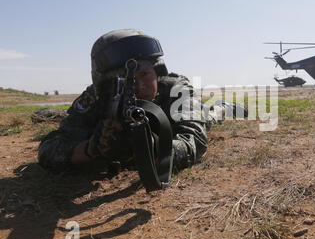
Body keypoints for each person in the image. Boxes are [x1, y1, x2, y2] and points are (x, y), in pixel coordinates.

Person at [38, 29, 208, 174]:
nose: (139, 86)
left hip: (191, 116)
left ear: (157, 72)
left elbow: (195, 139)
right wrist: (89, 150)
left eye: (145, 74)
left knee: (212, 113)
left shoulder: (176, 90)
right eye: (125, 80)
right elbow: (48, 148)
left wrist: (155, 149)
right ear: (105, 86)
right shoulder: (96, 98)